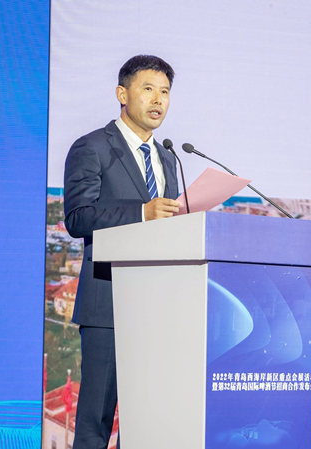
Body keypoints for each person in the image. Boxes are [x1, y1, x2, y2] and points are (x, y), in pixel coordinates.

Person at [64, 55, 180, 448]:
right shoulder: (93, 147)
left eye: (165, 92)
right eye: (148, 89)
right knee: (96, 422)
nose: (158, 99)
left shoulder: (168, 157)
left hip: (160, 307)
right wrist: (142, 213)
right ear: (122, 94)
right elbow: (78, 218)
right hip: (108, 303)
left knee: (147, 420)